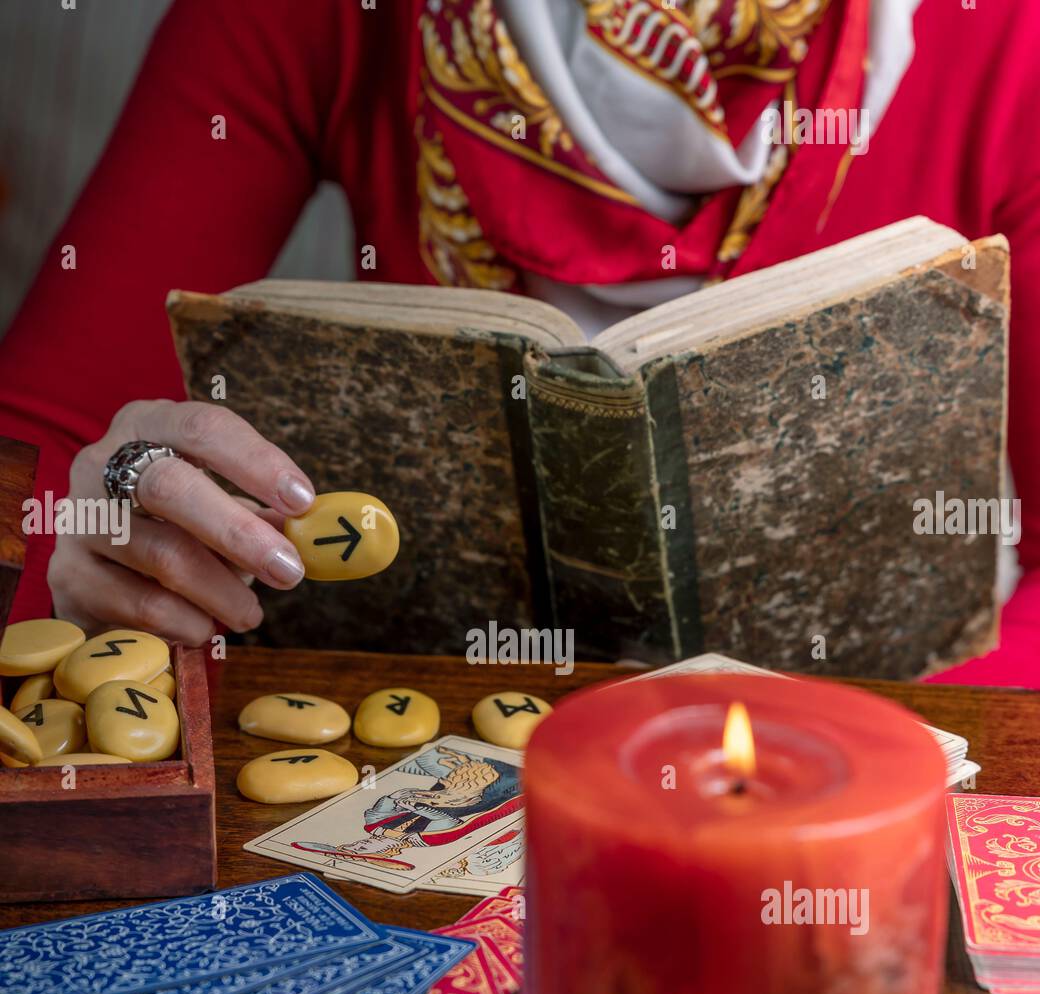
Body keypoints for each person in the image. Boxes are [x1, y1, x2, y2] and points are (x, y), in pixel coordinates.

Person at [0, 0, 1036, 682]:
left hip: (873, 773)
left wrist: (890, 759)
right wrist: (107, 556)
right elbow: (40, 450)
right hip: (424, 757)